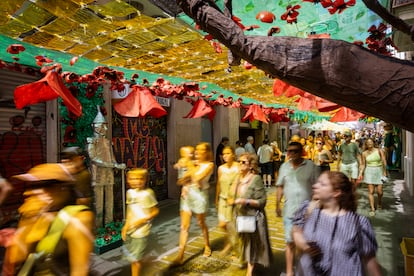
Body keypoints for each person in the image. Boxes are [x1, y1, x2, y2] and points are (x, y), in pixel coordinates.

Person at [2, 163, 94, 276]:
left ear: (61, 188)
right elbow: (16, 258)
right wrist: (27, 221)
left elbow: (80, 271)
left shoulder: (78, 219)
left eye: (39, 186)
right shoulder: (34, 214)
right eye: (30, 186)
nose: (28, 192)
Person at [292, 171, 382, 276]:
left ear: (336, 192)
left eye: (322, 184)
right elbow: (296, 231)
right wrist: (304, 245)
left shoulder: (358, 224)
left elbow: (369, 259)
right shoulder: (308, 210)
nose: (315, 186)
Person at [276, 141, 317, 276]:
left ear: (301, 152)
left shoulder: (311, 166)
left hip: (307, 213)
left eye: (295, 151)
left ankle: (302, 270)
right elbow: (280, 186)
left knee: (303, 244)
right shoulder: (284, 167)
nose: (292, 154)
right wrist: (277, 204)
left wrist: (315, 205)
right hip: (289, 211)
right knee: (290, 243)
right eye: (290, 151)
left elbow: (317, 187)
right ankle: (289, 272)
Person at [172, 142, 214, 265]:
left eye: (201, 150)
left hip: (200, 196)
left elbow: (198, 178)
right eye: (197, 150)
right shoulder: (192, 163)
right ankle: (180, 255)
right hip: (187, 195)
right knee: (184, 227)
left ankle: (207, 245)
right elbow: (180, 181)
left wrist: (189, 166)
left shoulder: (209, 165)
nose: (197, 152)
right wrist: (185, 178)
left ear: (206, 152)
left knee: (201, 223)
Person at [231, 152, 271, 275]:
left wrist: (245, 201)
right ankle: (249, 261)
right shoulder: (238, 178)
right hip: (241, 216)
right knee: (246, 243)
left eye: (243, 162)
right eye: (239, 161)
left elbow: (262, 201)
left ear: (251, 165)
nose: (240, 164)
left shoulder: (256, 179)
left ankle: (250, 271)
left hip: (253, 218)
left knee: (252, 244)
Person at [87, 106, 125, 228]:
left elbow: (111, 156)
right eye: (102, 125)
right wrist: (112, 165)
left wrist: (117, 164)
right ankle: (98, 227)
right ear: (95, 126)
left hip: (109, 174)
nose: (105, 128)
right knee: (98, 204)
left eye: (105, 125)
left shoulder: (107, 142)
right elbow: (93, 158)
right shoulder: (91, 141)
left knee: (110, 202)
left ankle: (109, 225)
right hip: (98, 175)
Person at [121, 168, 159, 276]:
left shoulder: (148, 193)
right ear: (128, 180)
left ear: (144, 180)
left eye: (139, 179)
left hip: (141, 231)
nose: (136, 181)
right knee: (134, 257)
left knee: (135, 260)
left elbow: (155, 210)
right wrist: (126, 226)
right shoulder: (129, 193)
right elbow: (130, 210)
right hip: (131, 230)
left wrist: (142, 220)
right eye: (133, 179)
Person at [215, 146, 239, 256]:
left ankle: (230, 246)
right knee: (222, 224)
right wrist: (216, 199)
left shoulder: (238, 167)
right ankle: (231, 243)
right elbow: (219, 183)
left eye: (228, 153)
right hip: (222, 199)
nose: (225, 156)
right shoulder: (220, 168)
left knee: (232, 225)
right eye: (223, 154)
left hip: (234, 200)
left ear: (233, 154)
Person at [359, 138, 387, 217]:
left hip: (379, 171)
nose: (370, 143)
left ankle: (379, 202)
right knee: (371, 191)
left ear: (373, 143)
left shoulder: (379, 150)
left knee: (380, 192)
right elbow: (363, 164)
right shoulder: (364, 153)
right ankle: (372, 208)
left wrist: (385, 171)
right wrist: (361, 173)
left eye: (371, 142)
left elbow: (384, 160)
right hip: (369, 172)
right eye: (368, 143)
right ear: (366, 144)